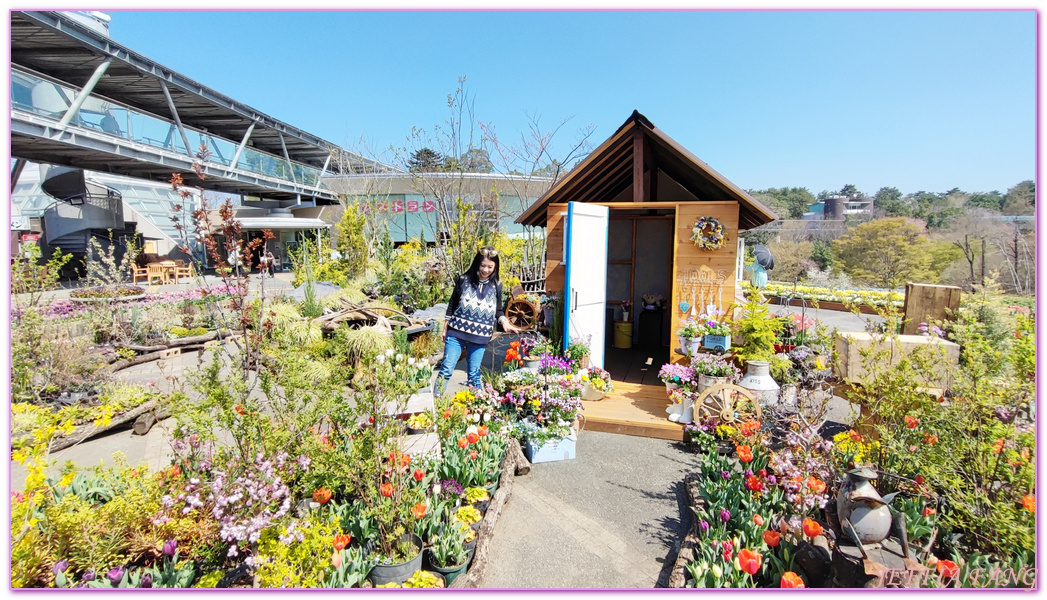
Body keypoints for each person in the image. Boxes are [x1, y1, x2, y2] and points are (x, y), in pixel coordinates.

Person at [434, 246, 524, 395]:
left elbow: (498, 310)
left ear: (495, 267)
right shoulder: (464, 280)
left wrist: (505, 322)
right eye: (483, 265)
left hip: (480, 337)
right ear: (477, 263)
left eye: (490, 266)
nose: (486, 270)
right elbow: (452, 305)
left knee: (474, 375)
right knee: (446, 369)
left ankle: (479, 408)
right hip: (456, 333)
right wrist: (445, 328)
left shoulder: (497, 286)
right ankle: (436, 403)